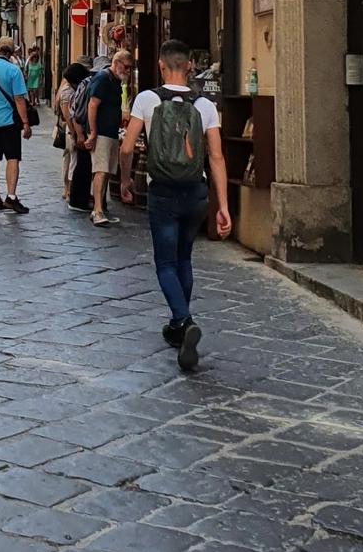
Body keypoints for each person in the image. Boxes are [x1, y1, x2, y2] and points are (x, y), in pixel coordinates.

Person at [119, 39, 232, 374]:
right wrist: (222, 205)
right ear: (189, 67)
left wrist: (125, 181)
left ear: (160, 65)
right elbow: (216, 157)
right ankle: (178, 326)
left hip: (163, 193)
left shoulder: (147, 99)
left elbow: (127, 148)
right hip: (195, 192)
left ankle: (184, 320)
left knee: (165, 264)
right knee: (184, 258)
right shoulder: (206, 105)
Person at [0, 38, 32, 213]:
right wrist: (25, 123)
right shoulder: (14, 70)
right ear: (11, 53)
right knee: (12, 158)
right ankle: (11, 196)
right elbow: (19, 99)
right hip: (9, 122)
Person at [82, 47, 130, 228]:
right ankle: (98, 210)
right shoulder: (102, 78)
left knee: (107, 170)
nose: (127, 71)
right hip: (101, 132)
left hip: (110, 132)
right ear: (116, 63)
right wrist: (93, 132)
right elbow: (92, 105)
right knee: (101, 171)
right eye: (126, 67)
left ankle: (101, 206)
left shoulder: (114, 81)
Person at [55, 59, 91, 207]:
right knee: (73, 160)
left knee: (68, 159)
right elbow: (69, 115)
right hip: (71, 130)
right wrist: (75, 133)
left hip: (70, 129)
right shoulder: (68, 92)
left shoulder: (67, 89)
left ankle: (67, 189)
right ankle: (70, 190)